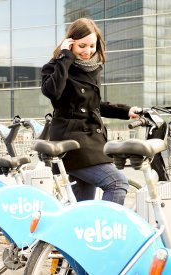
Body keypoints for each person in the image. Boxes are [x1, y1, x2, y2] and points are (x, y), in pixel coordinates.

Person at [41, 18, 140, 205]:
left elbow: (94, 105)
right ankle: (104, 233)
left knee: (83, 206)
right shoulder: (55, 66)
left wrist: (126, 111)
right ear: (70, 43)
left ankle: (73, 234)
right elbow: (52, 92)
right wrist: (64, 57)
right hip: (72, 144)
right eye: (82, 45)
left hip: (92, 142)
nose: (87, 51)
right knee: (117, 183)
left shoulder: (93, 69)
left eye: (92, 45)